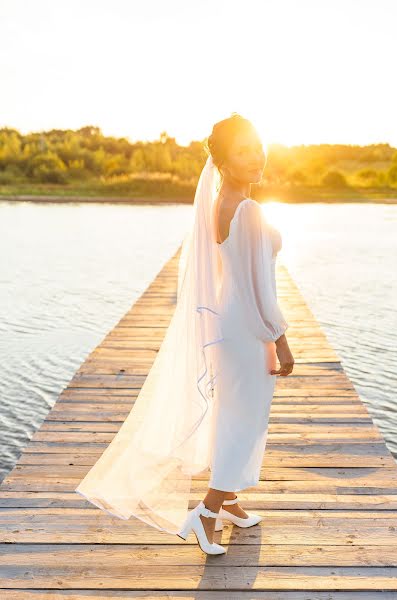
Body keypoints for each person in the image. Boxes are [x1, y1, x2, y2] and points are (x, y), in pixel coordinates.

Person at [75, 113, 294, 556]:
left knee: (233, 415)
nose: (256, 157)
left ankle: (228, 500)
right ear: (224, 162)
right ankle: (206, 513)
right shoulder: (247, 210)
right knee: (245, 420)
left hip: (229, 325)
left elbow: (234, 279)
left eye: (257, 147)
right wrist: (280, 339)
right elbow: (260, 290)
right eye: (243, 152)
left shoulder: (222, 204)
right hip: (247, 328)